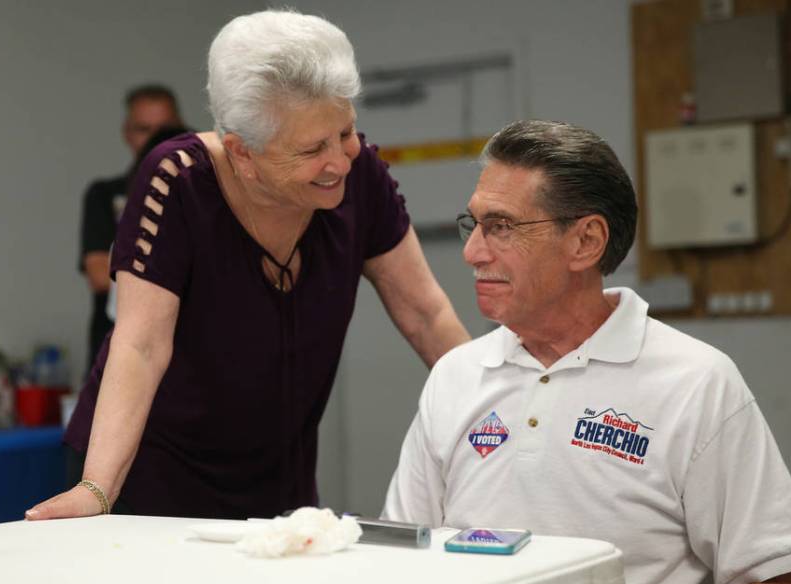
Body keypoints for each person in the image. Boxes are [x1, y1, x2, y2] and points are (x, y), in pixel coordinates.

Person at [382, 120, 791, 584]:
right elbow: (401, 558)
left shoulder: (694, 381)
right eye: (472, 224)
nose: (473, 252)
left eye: (500, 226)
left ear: (586, 241)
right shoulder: (456, 375)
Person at [28, 9, 469, 521]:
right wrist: (97, 490)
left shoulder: (360, 175)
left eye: (346, 132)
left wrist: (492, 410)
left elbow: (425, 314)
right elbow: (142, 345)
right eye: (312, 148)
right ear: (242, 153)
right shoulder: (178, 181)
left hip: (278, 477)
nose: (341, 160)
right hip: (148, 478)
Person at [79, 85, 184, 370]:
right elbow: (100, 274)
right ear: (127, 133)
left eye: (166, 129)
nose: (157, 139)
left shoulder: (212, 198)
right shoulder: (105, 195)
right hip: (119, 353)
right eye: (144, 129)